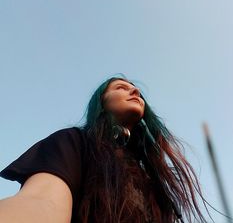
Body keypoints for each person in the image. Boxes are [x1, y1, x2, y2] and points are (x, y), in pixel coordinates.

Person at [0, 76, 209, 223]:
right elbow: (43, 201)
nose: (135, 91)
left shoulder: (155, 181)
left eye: (135, 89)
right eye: (120, 87)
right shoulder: (75, 142)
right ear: (101, 102)